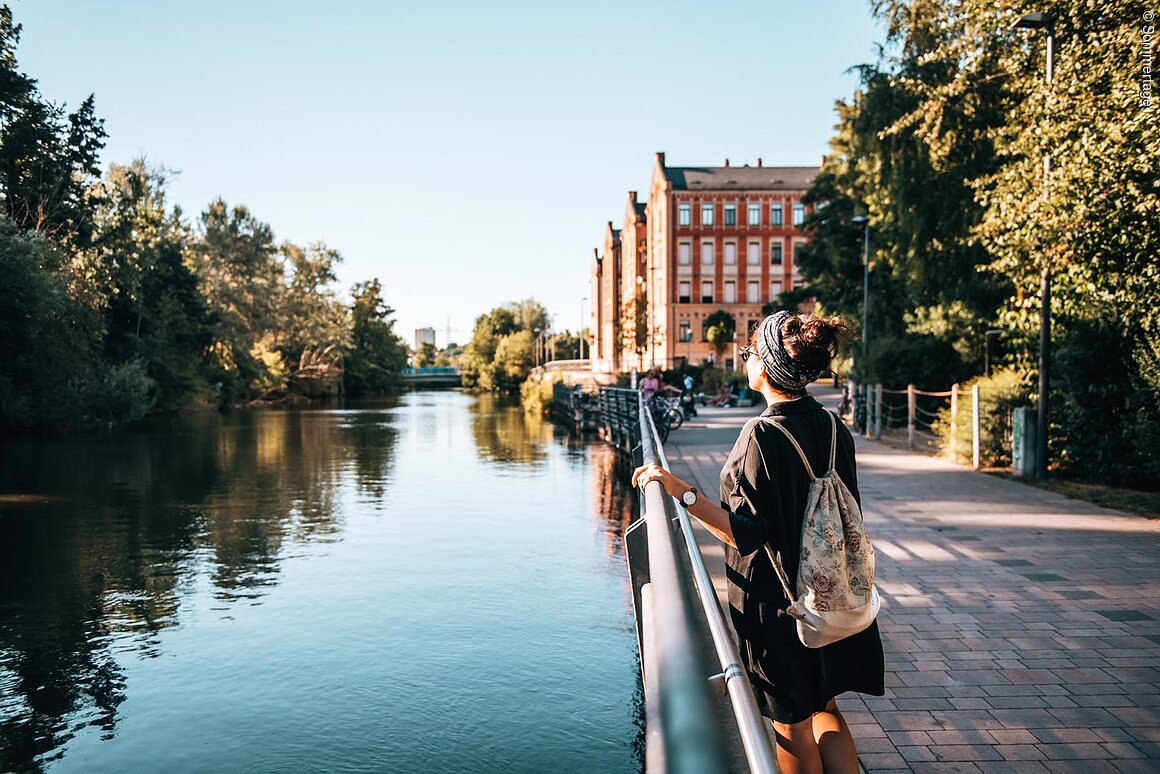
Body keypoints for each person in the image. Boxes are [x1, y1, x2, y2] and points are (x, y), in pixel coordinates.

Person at [632, 311, 884, 774]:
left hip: (780, 607)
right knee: (825, 706)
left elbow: (743, 533)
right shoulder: (833, 427)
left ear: (765, 368)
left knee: (791, 726)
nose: (744, 358)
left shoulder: (760, 437)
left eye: (749, 353)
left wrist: (679, 490)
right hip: (829, 593)